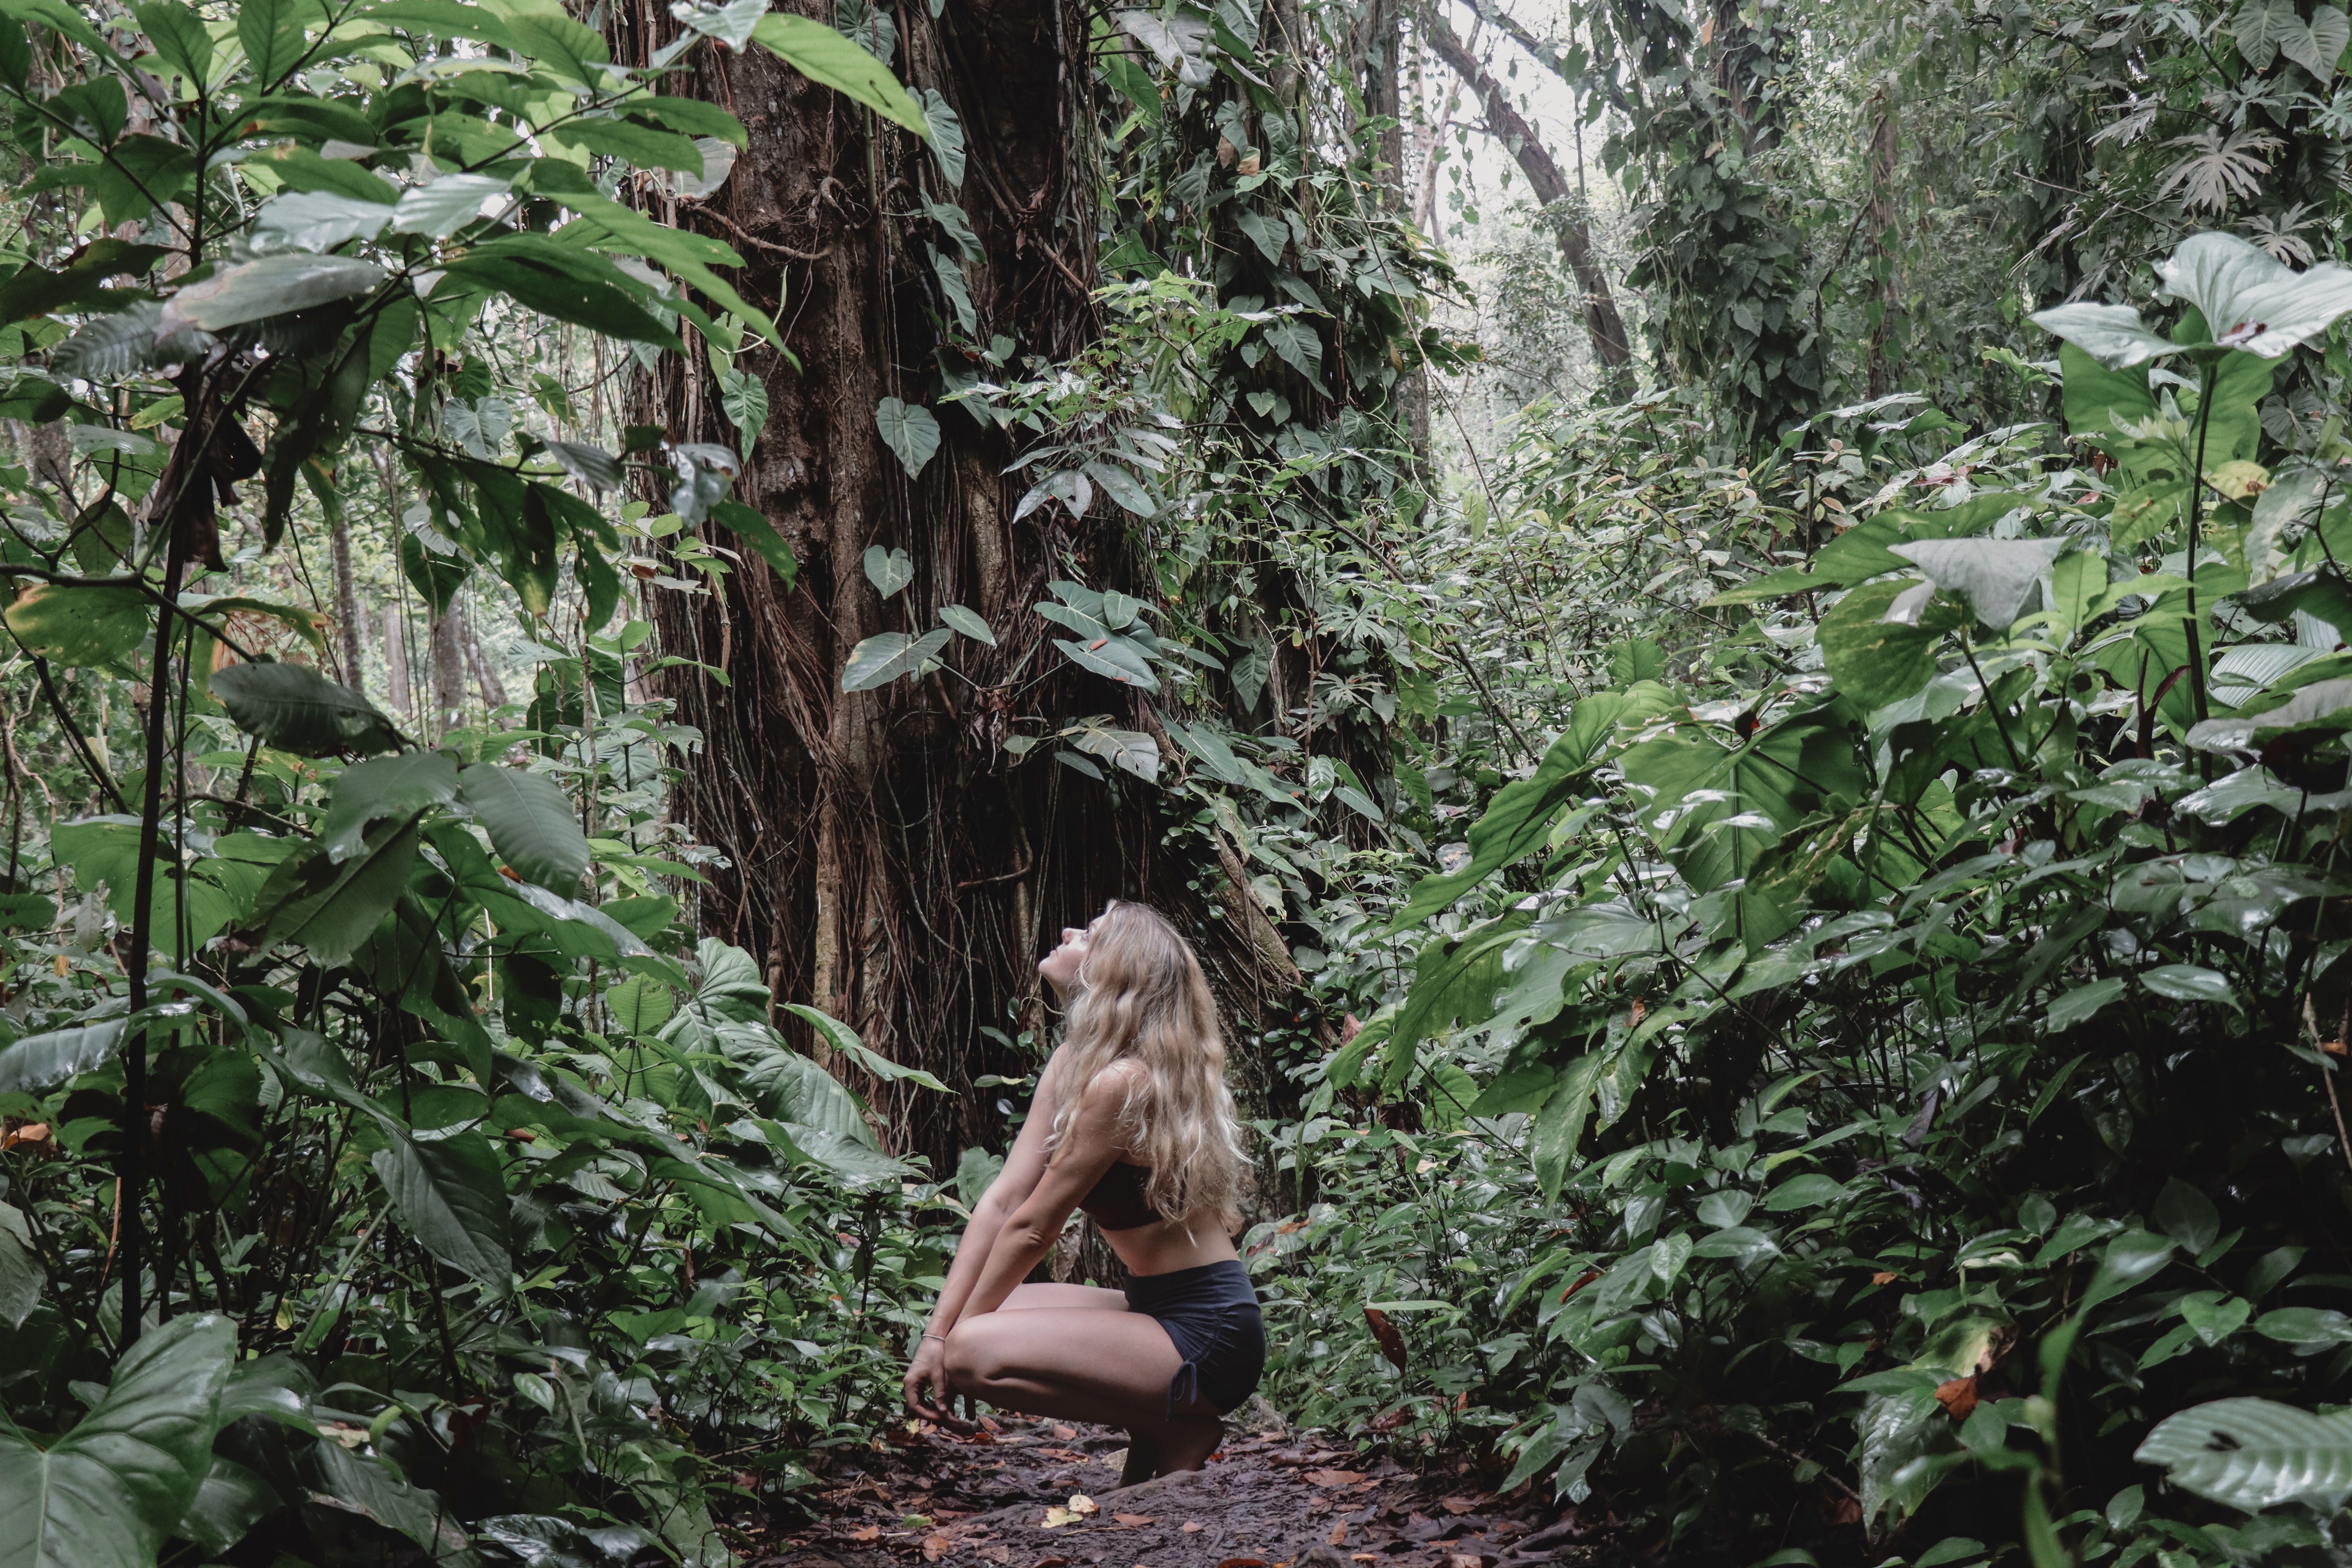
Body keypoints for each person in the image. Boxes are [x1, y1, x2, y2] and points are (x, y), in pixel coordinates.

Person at [903, 901, 1264, 1485]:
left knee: (974, 1349)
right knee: (982, 1322)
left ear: (1115, 970)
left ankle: (1179, 1426)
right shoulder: (1076, 1062)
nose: (1069, 931)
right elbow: (1002, 1202)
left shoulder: (1125, 1083)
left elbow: (1034, 1227)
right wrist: (935, 1335)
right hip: (1155, 1308)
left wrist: (952, 1347)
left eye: (1089, 933)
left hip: (1209, 1332)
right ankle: (1157, 1428)